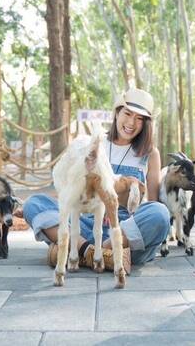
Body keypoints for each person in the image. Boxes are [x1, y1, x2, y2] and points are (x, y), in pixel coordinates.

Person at [21, 88, 170, 272]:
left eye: (140, 118)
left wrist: (121, 200)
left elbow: (151, 202)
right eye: (127, 114)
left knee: (160, 213)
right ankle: (94, 254)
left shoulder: (150, 153)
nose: (132, 122)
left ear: (146, 123)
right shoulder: (92, 143)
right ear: (117, 113)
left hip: (123, 230)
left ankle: (79, 252)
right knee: (34, 203)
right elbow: (70, 187)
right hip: (85, 222)